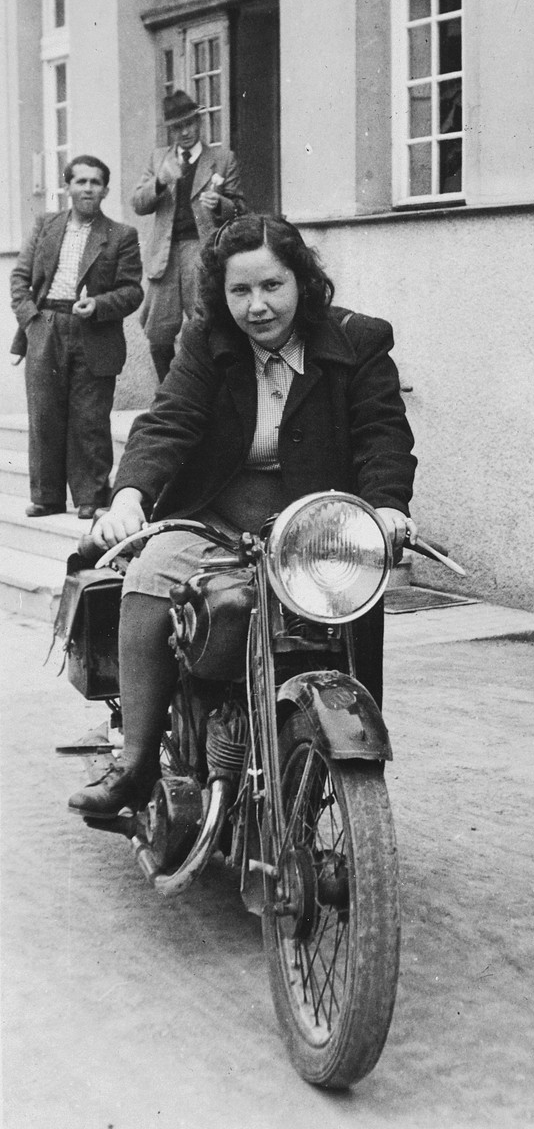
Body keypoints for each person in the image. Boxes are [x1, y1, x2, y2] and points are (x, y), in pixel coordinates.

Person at [68, 213, 417, 819]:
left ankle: (317, 772)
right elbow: (168, 422)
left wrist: (387, 507)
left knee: (340, 618)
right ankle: (137, 761)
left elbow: (383, 434)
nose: (257, 306)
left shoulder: (359, 341)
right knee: (150, 576)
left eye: (272, 286)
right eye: (240, 290)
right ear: (220, 294)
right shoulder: (206, 344)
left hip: (315, 530)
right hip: (219, 512)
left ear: (302, 282)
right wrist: (129, 495)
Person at [9, 155, 143, 519]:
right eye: (80, 181)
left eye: (95, 183)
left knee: (90, 416)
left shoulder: (121, 235)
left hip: (93, 331)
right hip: (46, 324)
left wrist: (98, 305)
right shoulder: (45, 226)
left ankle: (91, 497)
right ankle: (47, 496)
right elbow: (20, 279)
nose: (87, 189)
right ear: (67, 187)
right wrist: (32, 321)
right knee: (45, 413)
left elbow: (133, 291)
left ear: (106, 190)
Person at [133, 89, 246, 383]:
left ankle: (206, 397)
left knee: (206, 327)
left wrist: (221, 204)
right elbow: (139, 204)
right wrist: (160, 181)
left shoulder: (221, 159)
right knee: (158, 333)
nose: (184, 132)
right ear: (170, 130)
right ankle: (170, 397)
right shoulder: (159, 159)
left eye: (189, 124)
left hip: (202, 250)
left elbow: (241, 209)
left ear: (199, 123)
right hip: (165, 255)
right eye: (177, 127)